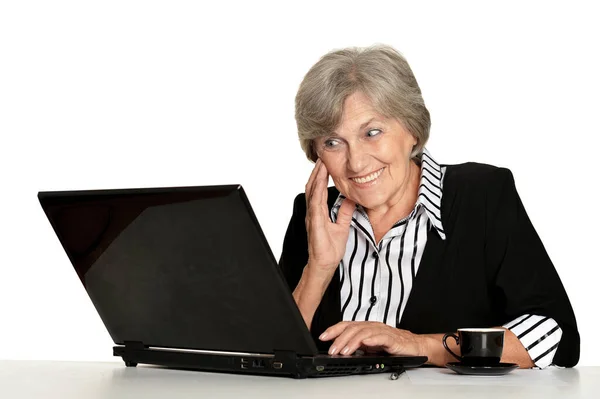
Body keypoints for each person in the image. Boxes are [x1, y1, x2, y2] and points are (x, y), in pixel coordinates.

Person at [279, 44, 579, 368]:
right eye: (332, 142)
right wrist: (318, 269)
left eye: (372, 132)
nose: (356, 162)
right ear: (317, 155)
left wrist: (417, 344)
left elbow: (552, 336)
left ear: (411, 129)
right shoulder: (314, 214)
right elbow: (268, 356)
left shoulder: (482, 196)